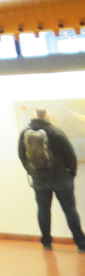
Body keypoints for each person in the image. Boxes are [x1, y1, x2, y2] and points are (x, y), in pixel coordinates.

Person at [19, 108, 85, 252]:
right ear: (47, 116)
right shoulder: (56, 132)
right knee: (70, 211)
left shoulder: (25, 133)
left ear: (34, 116)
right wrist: (71, 174)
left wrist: (33, 172)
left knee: (43, 210)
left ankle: (46, 243)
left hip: (40, 180)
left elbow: (22, 156)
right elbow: (70, 156)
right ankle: (81, 244)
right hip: (61, 179)